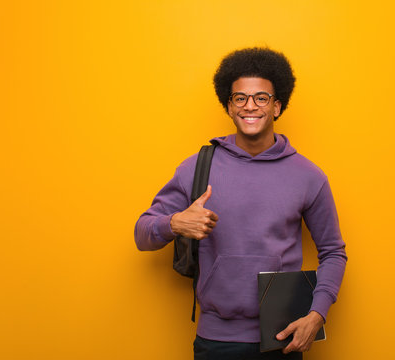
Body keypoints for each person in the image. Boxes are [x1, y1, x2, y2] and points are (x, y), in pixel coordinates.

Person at [134, 47, 347, 360]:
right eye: (240, 98)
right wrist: (174, 223)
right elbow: (142, 235)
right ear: (229, 106)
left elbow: (333, 251)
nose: (251, 106)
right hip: (215, 340)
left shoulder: (308, 176)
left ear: (277, 106)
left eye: (261, 98)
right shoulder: (196, 167)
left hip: (282, 337)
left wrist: (317, 315)